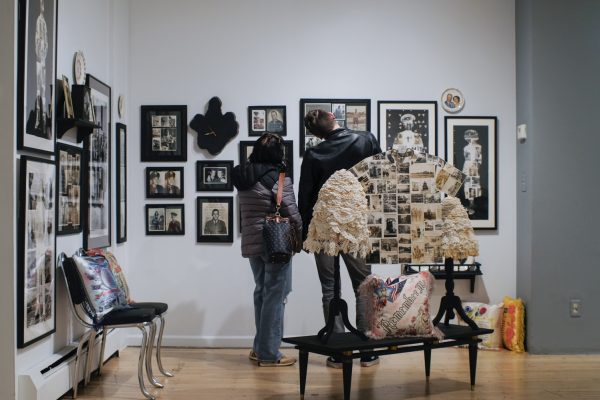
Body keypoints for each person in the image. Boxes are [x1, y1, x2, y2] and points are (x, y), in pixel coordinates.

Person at [299, 109, 381, 368]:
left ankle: (337, 350)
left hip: (323, 229)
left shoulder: (313, 154)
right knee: (364, 284)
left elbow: (305, 196)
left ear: (315, 134)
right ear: (333, 118)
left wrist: (304, 236)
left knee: (329, 287)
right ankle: (366, 349)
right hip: (356, 225)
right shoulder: (365, 140)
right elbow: (380, 179)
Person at [232, 132, 302, 367]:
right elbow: (292, 212)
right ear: (277, 154)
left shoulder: (243, 175)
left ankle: (258, 348)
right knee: (275, 295)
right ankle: (270, 354)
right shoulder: (278, 178)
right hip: (276, 241)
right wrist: (300, 237)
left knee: (262, 291)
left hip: (252, 241)